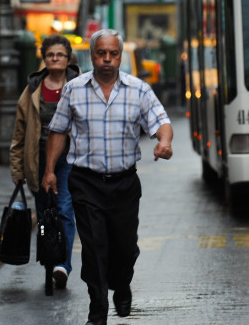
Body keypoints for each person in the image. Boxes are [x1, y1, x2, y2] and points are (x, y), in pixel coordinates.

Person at [43, 29, 173, 325]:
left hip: (124, 183)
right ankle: (97, 310)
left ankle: (122, 284)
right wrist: (50, 170)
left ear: (120, 56)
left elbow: (161, 121)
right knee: (94, 247)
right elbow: (58, 131)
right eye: (101, 53)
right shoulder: (74, 89)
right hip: (85, 182)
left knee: (125, 248)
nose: (107, 59)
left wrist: (164, 142)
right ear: (92, 56)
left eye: (113, 54)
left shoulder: (138, 89)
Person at [10, 34, 79, 288]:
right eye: (50, 55)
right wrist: (17, 168)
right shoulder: (32, 90)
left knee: (64, 209)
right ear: (44, 58)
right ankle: (50, 259)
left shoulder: (80, 86)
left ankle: (63, 265)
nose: (55, 59)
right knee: (44, 214)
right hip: (37, 160)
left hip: (69, 159)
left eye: (60, 55)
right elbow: (19, 132)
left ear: (68, 58)